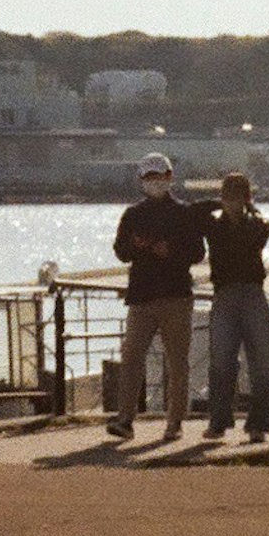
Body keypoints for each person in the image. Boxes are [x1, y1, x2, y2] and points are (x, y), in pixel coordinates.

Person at [107, 155, 206, 443]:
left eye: (159, 176)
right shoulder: (132, 215)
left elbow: (198, 253)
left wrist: (171, 250)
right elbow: (121, 251)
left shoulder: (185, 213)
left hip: (176, 295)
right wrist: (136, 246)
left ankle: (174, 421)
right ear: (141, 180)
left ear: (170, 176)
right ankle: (125, 419)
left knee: (177, 361)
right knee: (131, 356)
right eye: (149, 178)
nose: (155, 182)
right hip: (141, 296)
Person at [201, 170, 269, 443]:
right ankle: (219, 421)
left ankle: (259, 424)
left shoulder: (257, 225)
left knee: (260, 363)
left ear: (246, 199)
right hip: (224, 294)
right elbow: (203, 216)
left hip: (252, 292)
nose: (232, 202)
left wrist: (247, 211)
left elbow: (262, 229)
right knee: (221, 361)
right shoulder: (213, 226)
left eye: (237, 196)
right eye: (227, 196)